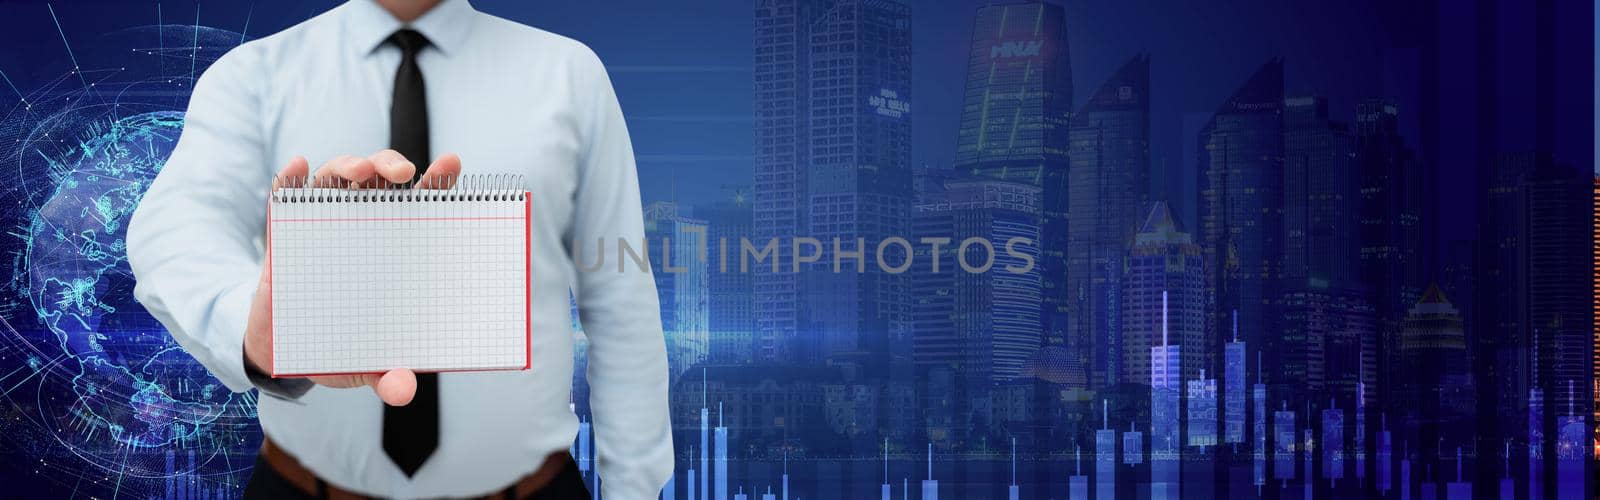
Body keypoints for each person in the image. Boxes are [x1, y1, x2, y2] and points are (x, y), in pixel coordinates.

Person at [126, 0, 672, 498]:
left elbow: (620, 297)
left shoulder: (569, 76)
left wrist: (635, 488)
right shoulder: (253, 78)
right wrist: (252, 329)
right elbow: (174, 232)